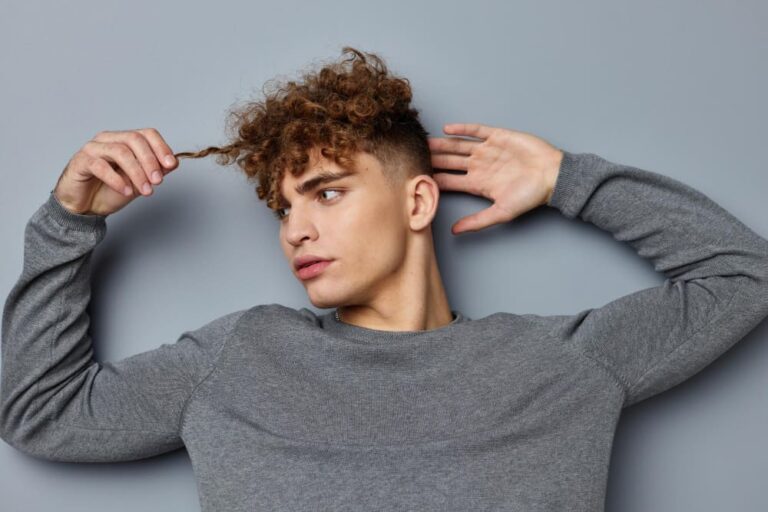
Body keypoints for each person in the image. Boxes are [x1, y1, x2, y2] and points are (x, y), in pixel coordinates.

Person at [1, 47, 767, 511]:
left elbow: (743, 276)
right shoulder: (241, 357)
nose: (295, 229)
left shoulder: (559, 364)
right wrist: (69, 222)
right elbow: (41, 413)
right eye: (283, 207)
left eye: (327, 192)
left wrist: (569, 180)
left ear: (418, 201)